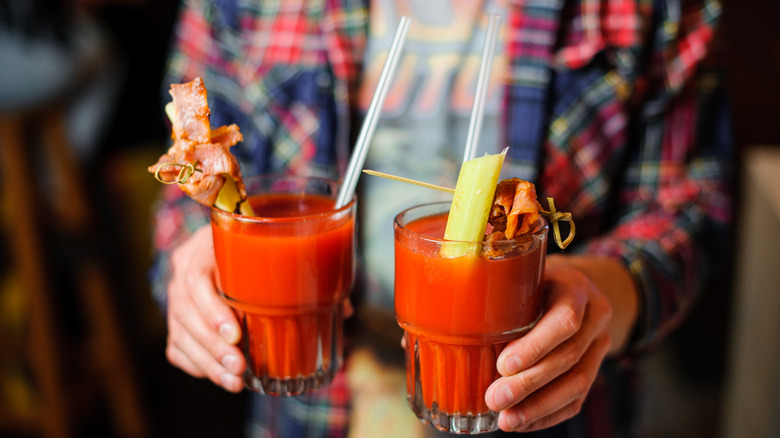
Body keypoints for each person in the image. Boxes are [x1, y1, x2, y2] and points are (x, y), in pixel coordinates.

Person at [149, 0, 733, 436]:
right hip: (303, 415)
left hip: (551, 418)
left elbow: (691, 203)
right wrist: (190, 260)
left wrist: (609, 294)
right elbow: (186, 190)